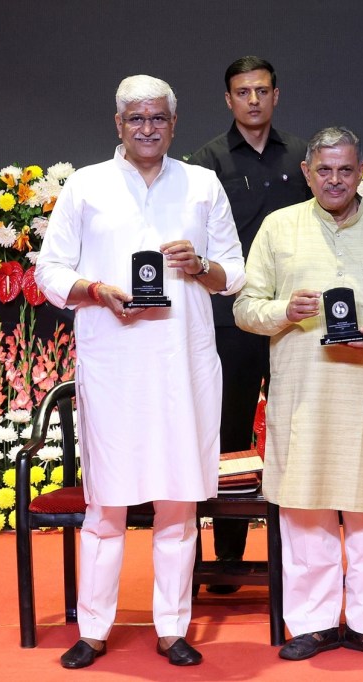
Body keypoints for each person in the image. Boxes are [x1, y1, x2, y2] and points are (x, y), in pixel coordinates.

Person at [35, 74, 245, 669]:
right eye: (136, 118)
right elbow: (50, 272)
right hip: (114, 365)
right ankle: (94, 629)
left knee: (178, 503)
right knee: (105, 506)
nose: (147, 128)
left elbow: (235, 273)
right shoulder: (86, 185)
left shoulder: (201, 184)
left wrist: (199, 265)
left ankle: (172, 628)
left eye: (157, 118)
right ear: (118, 124)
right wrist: (97, 290)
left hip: (183, 366)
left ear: (174, 125)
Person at [233, 126, 363, 661]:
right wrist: (284, 311)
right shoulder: (279, 228)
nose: (334, 180)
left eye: (345, 170)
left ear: (361, 171)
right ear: (307, 173)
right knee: (305, 510)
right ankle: (313, 623)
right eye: (324, 170)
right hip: (304, 397)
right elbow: (245, 309)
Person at [190, 56, 310, 588]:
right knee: (231, 432)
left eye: (262, 90)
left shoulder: (304, 157)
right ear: (229, 99)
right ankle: (228, 560)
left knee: (295, 430)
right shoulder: (206, 162)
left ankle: (300, 557)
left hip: (294, 318)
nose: (254, 100)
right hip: (230, 319)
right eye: (243, 92)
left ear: (276, 95)